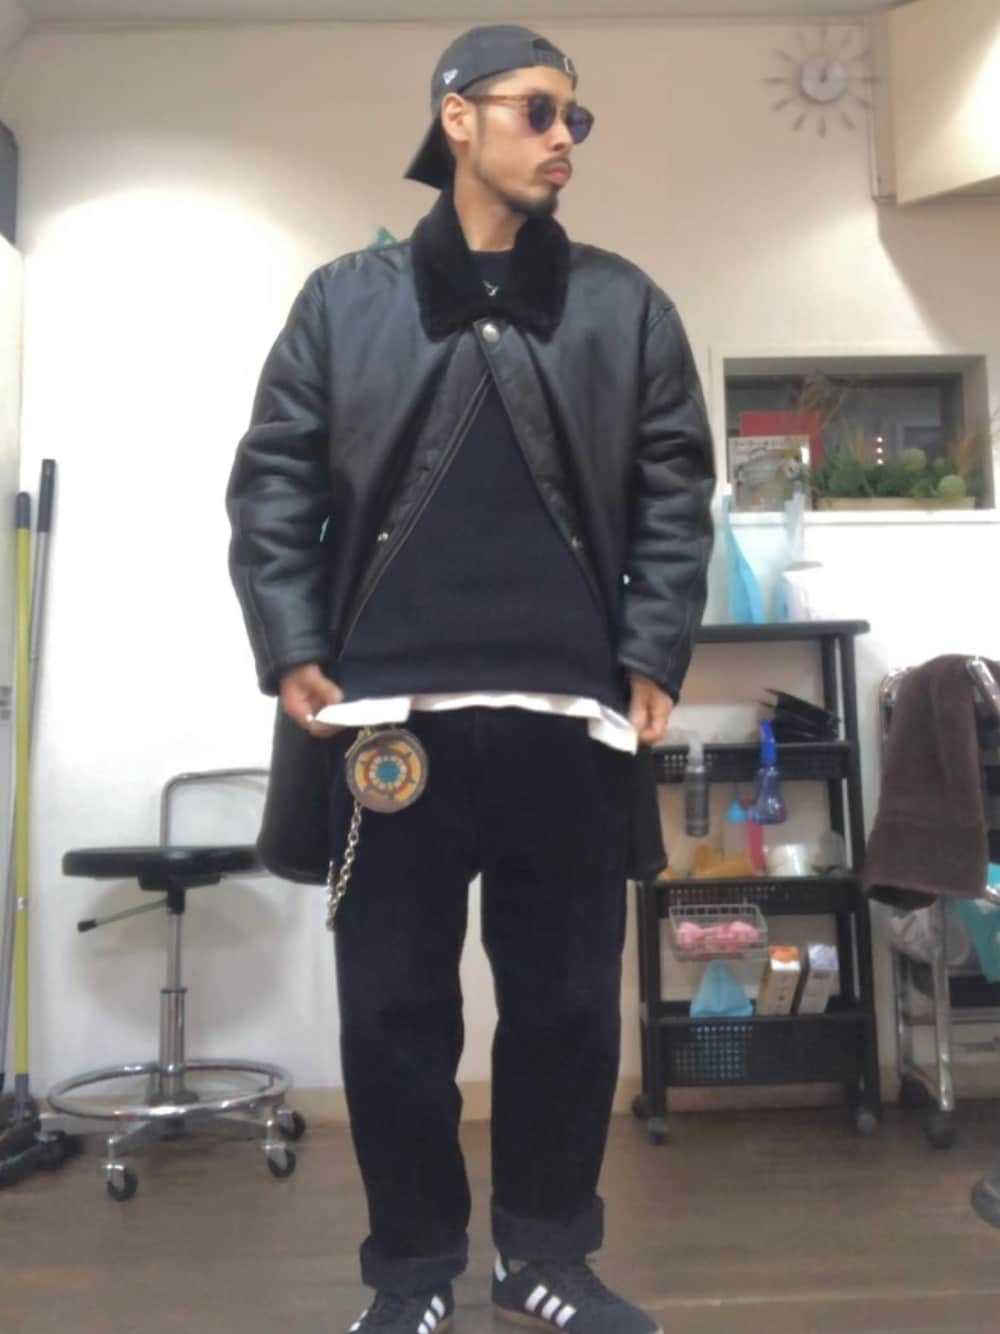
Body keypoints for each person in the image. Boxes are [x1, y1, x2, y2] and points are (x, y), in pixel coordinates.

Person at [226, 23, 715, 1334]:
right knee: (392, 1013)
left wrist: (653, 649)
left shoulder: (625, 304)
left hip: (571, 720)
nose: (565, 139)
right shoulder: (345, 301)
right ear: (457, 117)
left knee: (566, 1010)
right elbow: (272, 482)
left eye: (576, 119)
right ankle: (410, 1276)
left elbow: (676, 491)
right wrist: (291, 642)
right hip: (388, 727)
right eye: (539, 110)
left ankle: (543, 1258)